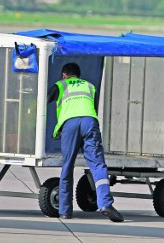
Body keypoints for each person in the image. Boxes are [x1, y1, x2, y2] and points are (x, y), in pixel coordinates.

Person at [47, 62, 124, 222]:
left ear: (64, 75)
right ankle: (105, 204)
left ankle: (65, 211)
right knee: (97, 165)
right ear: (78, 75)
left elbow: (45, 98)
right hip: (89, 121)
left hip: (70, 124)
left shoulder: (60, 84)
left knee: (67, 166)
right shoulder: (89, 86)